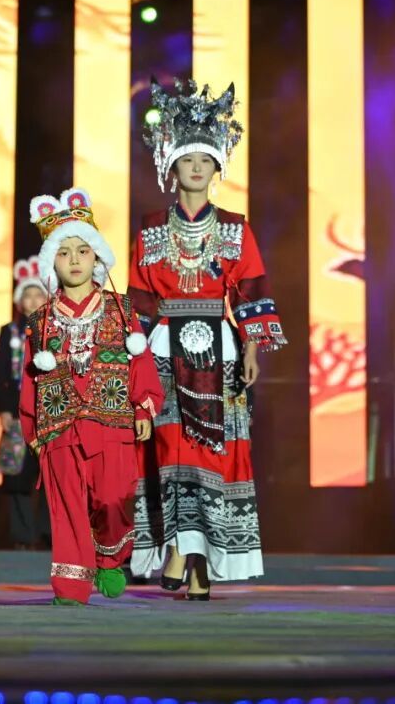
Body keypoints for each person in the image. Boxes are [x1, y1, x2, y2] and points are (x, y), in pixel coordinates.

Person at [129, 79, 287, 600]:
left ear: (217, 168)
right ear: (171, 167)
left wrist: (252, 348)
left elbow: (252, 292)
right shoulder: (150, 228)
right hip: (163, 350)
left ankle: (201, 565)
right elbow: (139, 300)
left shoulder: (237, 229)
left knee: (214, 454)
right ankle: (178, 548)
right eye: (187, 159)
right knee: (170, 448)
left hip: (219, 351)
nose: (196, 168)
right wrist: (132, 363)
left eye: (205, 160)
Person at [18, 187, 164, 606]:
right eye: (64, 253)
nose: (75, 260)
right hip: (60, 424)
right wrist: (33, 428)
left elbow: (140, 360)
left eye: (83, 250)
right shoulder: (39, 321)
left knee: (113, 498)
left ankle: (110, 557)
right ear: (52, 262)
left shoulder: (121, 309)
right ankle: (70, 586)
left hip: (112, 420)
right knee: (66, 507)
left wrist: (144, 405)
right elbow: (29, 378)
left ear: (96, 256)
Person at [0, 259, 51, 549]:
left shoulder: (56, 329)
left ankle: (49, 534)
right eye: (27, 295)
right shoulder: (10, 332)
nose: (33, 300)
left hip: (50, 411)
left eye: (38, 294)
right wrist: (3, 409)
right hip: (16, 412)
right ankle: (22, 536)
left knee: (53, 474)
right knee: (16, 475)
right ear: (19, 301)